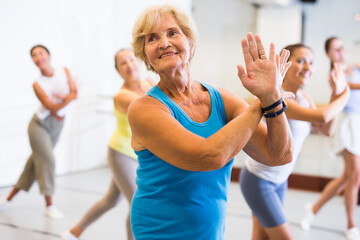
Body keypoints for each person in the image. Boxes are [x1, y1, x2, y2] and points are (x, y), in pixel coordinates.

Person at [128, 5, 294, 240]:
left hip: (209, 232)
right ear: (146, 55)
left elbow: (279, 155)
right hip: (159, 231)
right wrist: (263, 101)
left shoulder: (221, 100)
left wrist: (273, 101)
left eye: (173, 33)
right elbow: (209, 156)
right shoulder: (144, 109)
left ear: (191, 43)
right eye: (152, 39)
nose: (164, 42)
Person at [240, 43, 349, 240]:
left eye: (311, 63)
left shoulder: (304, 98)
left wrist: (335, 93)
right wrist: (345, 94)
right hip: (259, 180)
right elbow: (323, 116)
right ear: (285, 66)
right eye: (300, 61)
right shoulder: (278, 97)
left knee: (261, 238)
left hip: (280, 180)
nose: (307, 67)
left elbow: (326, 129)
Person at [61, 49, 154, 240]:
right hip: (121, 154)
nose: (129, 65)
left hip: (139, 155)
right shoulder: (122, 96)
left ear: (138, 62)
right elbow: (151, 108)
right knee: (138, 204)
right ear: (118, 71)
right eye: (123, 63)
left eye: (131, 59)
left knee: (110, 200)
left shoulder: (149, 84)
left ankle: (75, 231)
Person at [0, 45, 77, 219]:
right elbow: (54, 108)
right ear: (33, 61)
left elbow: (75, 93)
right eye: (34, 55)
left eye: (41, 53)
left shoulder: (64, 71)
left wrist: (66, 98)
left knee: (33, 165)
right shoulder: (37, 84)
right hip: (39, 126)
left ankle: (7, 199)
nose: (38, 57)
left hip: (57, 127)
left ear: (48, 55)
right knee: (47, 160)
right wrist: (68, 97)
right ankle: (49, 206)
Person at [300, 37, 360, 240]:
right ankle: (351, 225)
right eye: (336, 49)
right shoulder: (335, 73)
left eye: (343, 47)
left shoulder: (349, 67)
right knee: (355, 177)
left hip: (356, 124)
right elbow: (351, 86)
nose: (341, 51)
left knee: (347, 177)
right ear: (328, 54)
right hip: (346, 125)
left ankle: (313, 210)